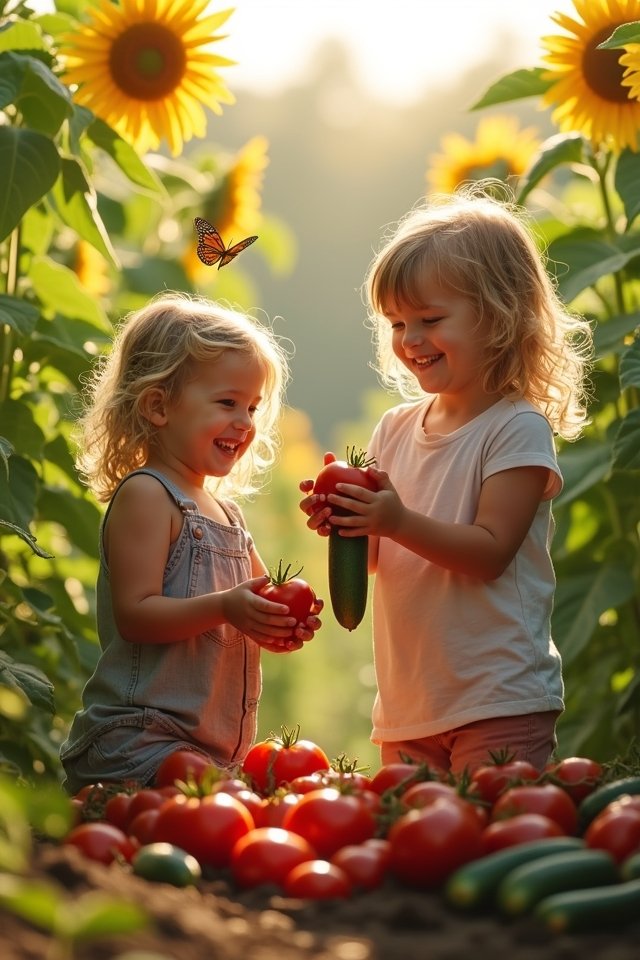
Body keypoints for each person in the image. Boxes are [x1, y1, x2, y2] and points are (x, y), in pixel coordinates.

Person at [300, 186, 592, 776]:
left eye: (430, 320)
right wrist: (348, 518)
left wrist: (395, 518)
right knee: (415, 850)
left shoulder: (516, 429)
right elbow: (383, 558)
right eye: (397, 323)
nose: (409, 340)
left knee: (491, 843)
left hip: (500, 698)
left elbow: (489, 553)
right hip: (410, 704)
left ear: (501, 313)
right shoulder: (394, 428)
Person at [61, 291, 322, 794]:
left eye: (252, 407)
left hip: (209, 752)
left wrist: (279, 622)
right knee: (241, 804)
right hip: (139, 743)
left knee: (251, 800)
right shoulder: (146, 495)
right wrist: (229, 606)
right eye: (227, 403)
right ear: (158, 406)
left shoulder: (228, 514)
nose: (245, 422)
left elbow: (254, 603)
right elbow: (137, 616)